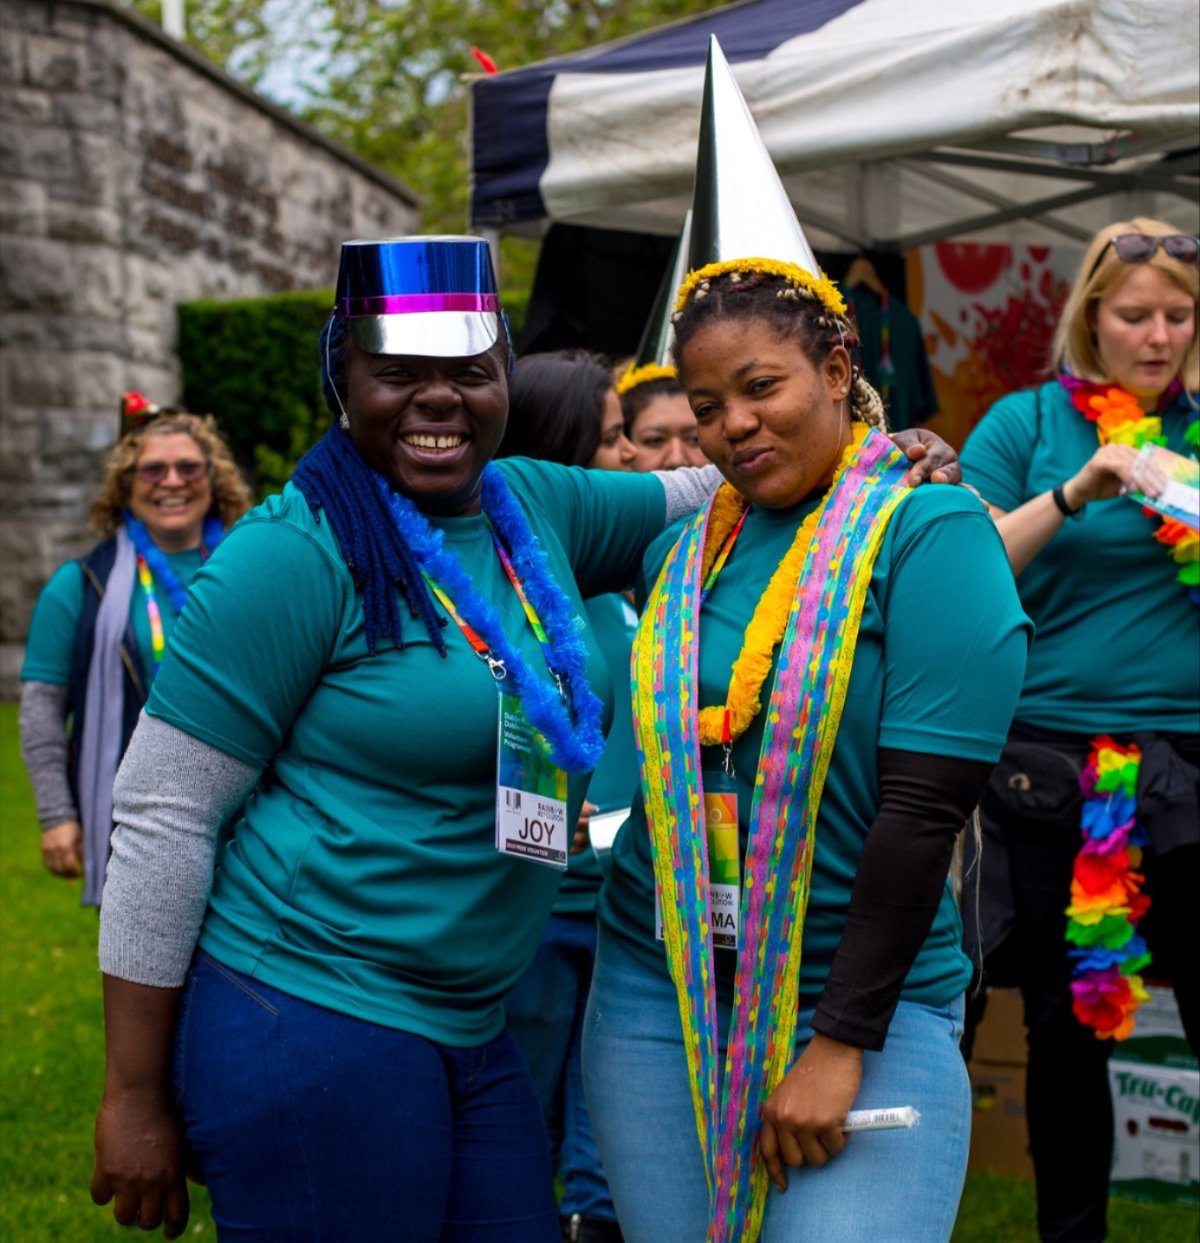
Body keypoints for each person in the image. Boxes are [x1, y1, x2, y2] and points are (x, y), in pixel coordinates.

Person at [87, 234, 958, 1243]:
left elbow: (725, 484)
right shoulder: (296, 552)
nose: (438, 398)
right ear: (341, 376)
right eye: (397, 373)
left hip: (470, 1022)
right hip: (313, 1009)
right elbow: (163, 812)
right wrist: (133, 1092)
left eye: (468, 369)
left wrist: (877, 455)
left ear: (505, 370)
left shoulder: (529, 506)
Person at [584, 39, 1031, 1243]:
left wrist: (839, 1043)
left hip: (858, 1000)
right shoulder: (689, 548)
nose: (733, 425)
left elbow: (924, 807)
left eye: (763, 387)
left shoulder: (929, 531)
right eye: (708, 403)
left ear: (841, 370)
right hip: (655, 987)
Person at [959, 217, 1198, 1243]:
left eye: (1179, 316)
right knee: (1067, 1029)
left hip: (1188, 767)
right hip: (1055, 771)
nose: (1157, 336)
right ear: (1090, 315)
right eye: (1135, 314)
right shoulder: (1024, 427)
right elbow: (964, 574)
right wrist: (1076, 489)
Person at [497, 348, 637, 1243]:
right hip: (537, 912)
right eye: (613, 438)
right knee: (523, 1117)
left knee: (607, 1140)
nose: (630, 457)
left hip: (625, 905)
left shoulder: (628, 582)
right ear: (555, 453)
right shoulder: (509, 596)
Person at [18, 399, 252, 906]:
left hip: (252, 814)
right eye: (153, 469)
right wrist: (56, 815)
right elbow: (40, 712)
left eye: (189, 467)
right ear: (127, 483)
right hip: (137, 818)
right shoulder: (80, 586)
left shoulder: (251, 569)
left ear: (213, 479)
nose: (173, 481)